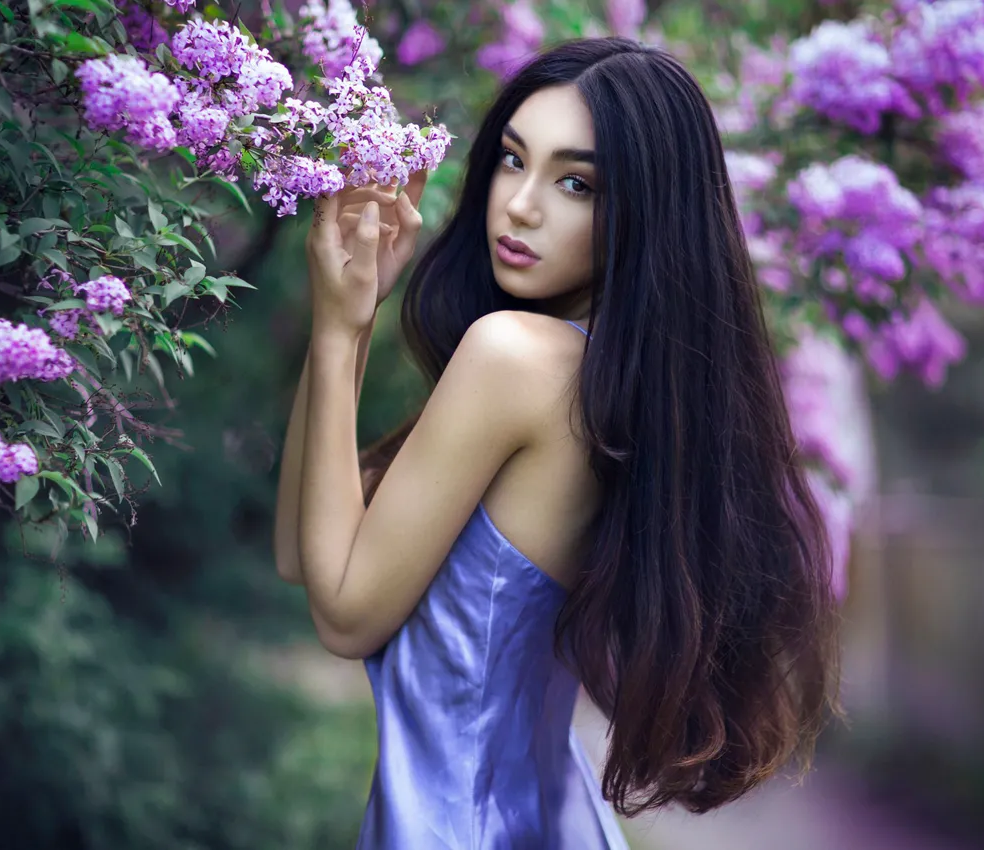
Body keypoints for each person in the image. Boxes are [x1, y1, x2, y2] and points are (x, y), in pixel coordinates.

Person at [273, 36, 840, 850]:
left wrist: (335, 326)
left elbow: (344, 616)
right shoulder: (613, 386)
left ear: (643, 215)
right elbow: (306, 551)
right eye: (511, 160)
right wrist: (351, 331)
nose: (520, 205)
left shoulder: (517, 358)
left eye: (575, 183)